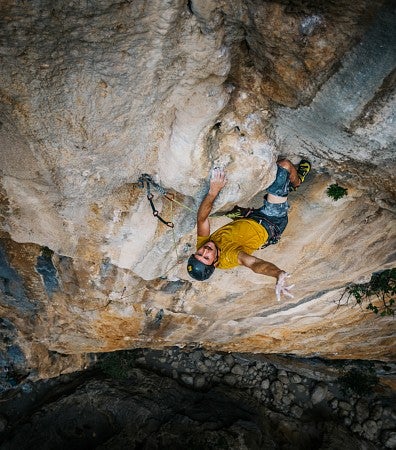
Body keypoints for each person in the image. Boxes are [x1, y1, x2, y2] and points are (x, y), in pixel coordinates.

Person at [186, 159, 311, 300]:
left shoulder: (203, 247)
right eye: (207, 257)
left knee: (227, 208)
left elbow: (202, 219)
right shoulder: (230, 257)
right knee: (284, 166)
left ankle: (242, 214)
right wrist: (277, 273)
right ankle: (296, 182)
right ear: (215, 262)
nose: (205, 251)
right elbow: (254, 264)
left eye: (199, 253)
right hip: (271, 221)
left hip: (250, 219)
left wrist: (213, 191)